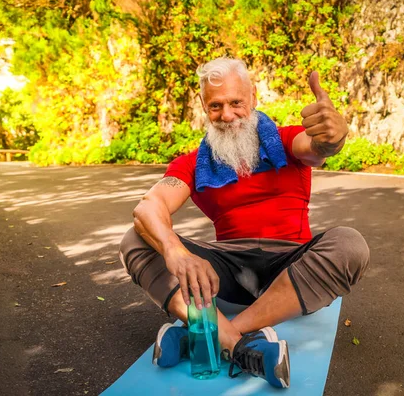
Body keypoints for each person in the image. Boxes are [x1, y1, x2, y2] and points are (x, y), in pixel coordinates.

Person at [119, 57, 370, 389]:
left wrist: (333, 136)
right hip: (230, 269)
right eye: (216, 105)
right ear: (203, 107)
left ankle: (209, 334)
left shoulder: (285, 141)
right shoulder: (192, 164)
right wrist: (175, 252)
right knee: (135, 240)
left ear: (253, 97)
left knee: (350, 244)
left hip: (292, 266)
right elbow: (149, 208)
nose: (227, 115)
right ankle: (240, 347)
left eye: (236, 102)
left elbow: (319, 147)